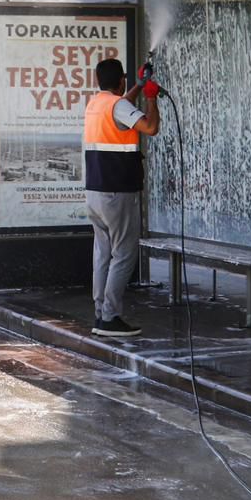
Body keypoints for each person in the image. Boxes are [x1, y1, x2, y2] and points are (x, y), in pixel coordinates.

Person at [83, 57, 160, 338]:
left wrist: (139, 86)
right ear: (120, 80)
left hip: (95, 192)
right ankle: (110, 317)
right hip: (118, 191)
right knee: (124, 253)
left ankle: (100, 313)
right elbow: (150, 128)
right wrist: (151, 99)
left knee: (103, 253)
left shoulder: (96, 104)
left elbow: (121, 108)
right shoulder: (117, 105)